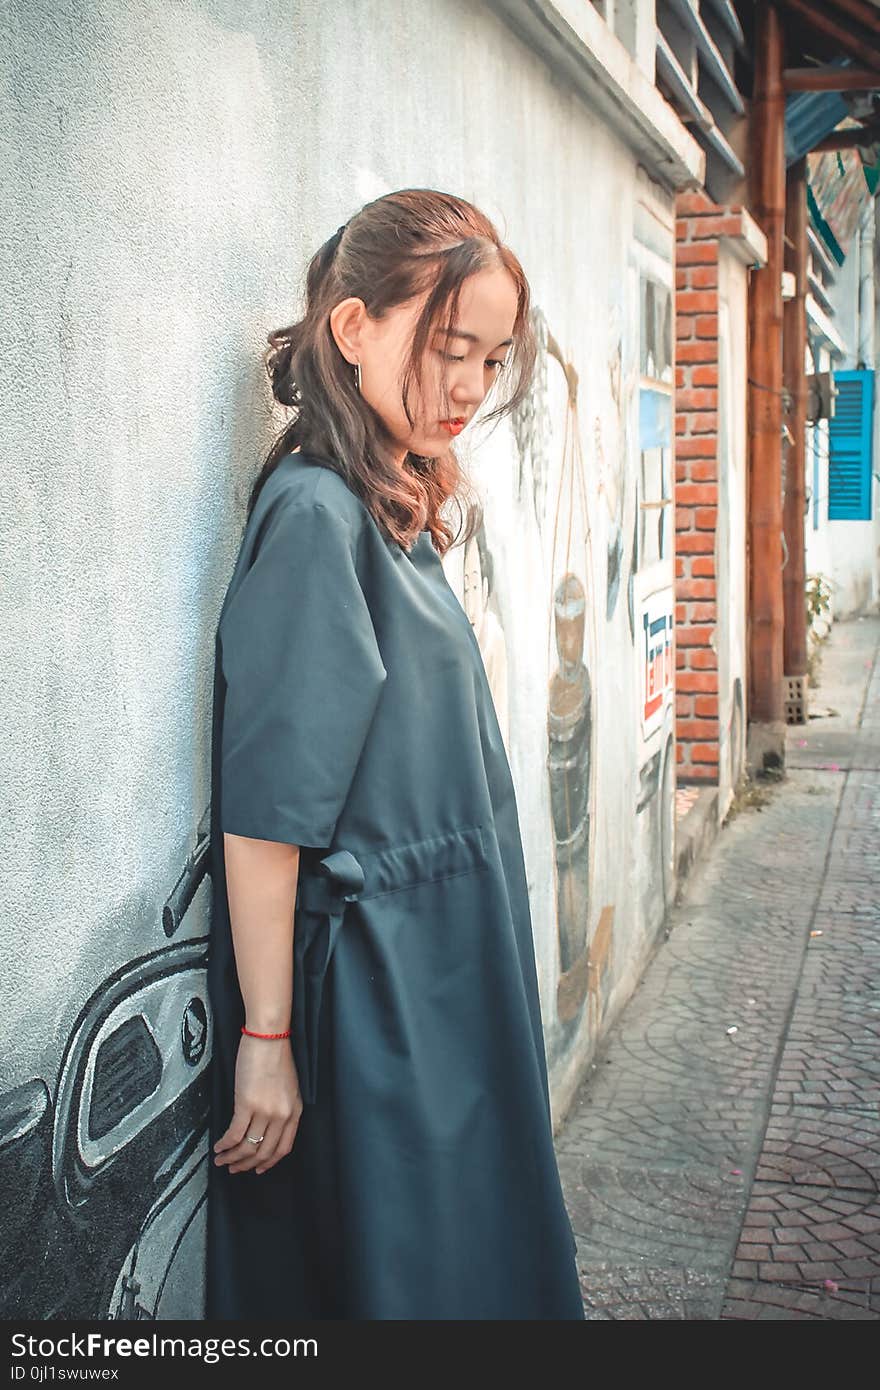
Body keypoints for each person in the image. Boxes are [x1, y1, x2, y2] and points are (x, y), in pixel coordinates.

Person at [205, 188, 585, 1320]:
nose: (467, 385)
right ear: (353, 327)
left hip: (446, 967)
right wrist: (266, 1042)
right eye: (445, 345)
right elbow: (268, 815)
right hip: (378, 996)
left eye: (490, 357)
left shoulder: (390, 504)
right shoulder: (319, 517)